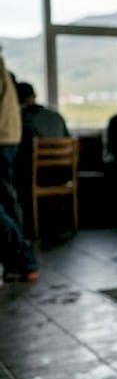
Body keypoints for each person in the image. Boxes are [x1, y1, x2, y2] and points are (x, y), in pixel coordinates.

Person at [0, 49, 38, 281]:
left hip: (1, 139)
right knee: (6, 199)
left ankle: (23, 258)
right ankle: (20, 259)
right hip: (7, 139)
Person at [16, 82, 71, 239]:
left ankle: (25, 229)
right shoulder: (56, 116)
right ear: (34, 96)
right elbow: (67, 138)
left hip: (38, 175)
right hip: (63, 172)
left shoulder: (21, 119)